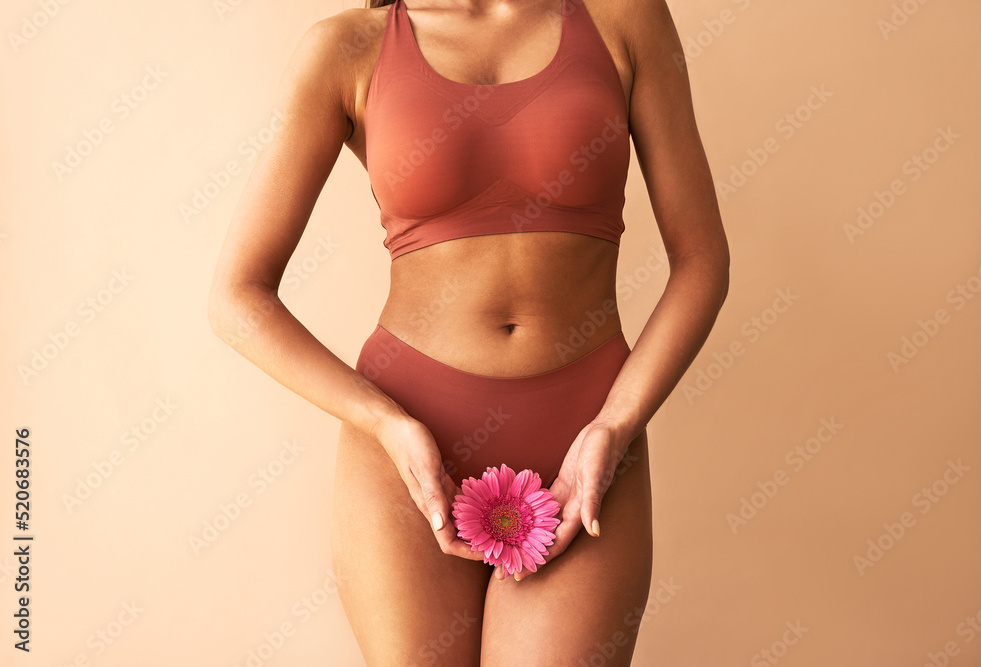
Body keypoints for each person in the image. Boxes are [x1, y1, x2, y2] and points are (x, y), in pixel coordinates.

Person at [208, 0, 729, 663]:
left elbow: (701, 260)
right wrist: (384, 423)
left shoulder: (624, 18)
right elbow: (236, 295)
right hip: (408, 445)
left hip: (587, 438)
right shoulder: (348, 49)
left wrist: (613, 427)